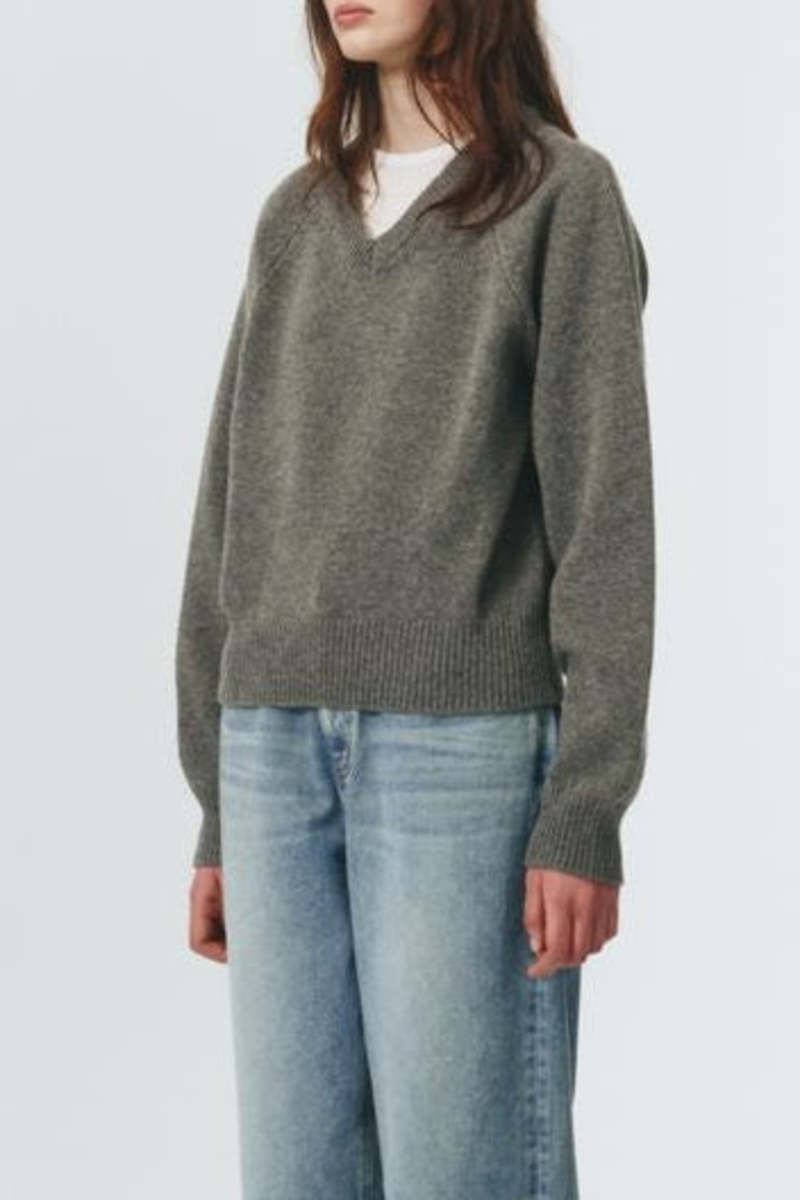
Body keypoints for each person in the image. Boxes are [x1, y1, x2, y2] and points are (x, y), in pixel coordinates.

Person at [174, 2, 655, 1197]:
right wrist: (218, 809)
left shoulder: (559, 198)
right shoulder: (294, 217)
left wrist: (584, 805)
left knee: (462, 1171)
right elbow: (229, 504)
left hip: (461, 756)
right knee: (293, 1177)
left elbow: (603, 521)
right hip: (271, 756)